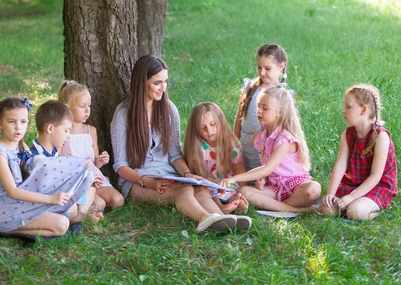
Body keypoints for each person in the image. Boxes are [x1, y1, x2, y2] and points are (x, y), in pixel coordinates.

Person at [111, 55, 251, 232]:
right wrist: (148, 182)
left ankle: (223, 219)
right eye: (157, 83)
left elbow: (174, 154)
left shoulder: (169, 110)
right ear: (141, 83)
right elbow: (120, 165)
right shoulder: (123, 114)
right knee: (183, 191)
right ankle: (205, 219)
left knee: (199, 189)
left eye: (165, 81)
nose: (163, 88)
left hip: (168, 175)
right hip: (137, 181)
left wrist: (187, 174)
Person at [0, 97, 94, 237]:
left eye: (23, 122)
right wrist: (50, 199)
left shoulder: (21, 146)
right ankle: (0, 230)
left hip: (21, 203)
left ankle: (42, 226)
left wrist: (79, 166)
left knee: (69, 210)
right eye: (11, 122)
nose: (18, 127)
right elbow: (12, 191)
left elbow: (45, 165)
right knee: (62, 224)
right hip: (5, 209)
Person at [220, 86, 321, 213]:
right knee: (244, 191)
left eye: (265, 108)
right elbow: (268, 170)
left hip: (296, 186)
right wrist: (264, 179)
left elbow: (266, 168)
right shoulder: (260, 137)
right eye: (258, 106)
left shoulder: (284, 139)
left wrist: (235, 178)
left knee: (314, 189)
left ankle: (279, 207)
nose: (259, 111)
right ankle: (296, 210)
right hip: (274, 188)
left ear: (280, 112)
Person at [321, 84, 397, 220]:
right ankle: (352, 205)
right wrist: (330, 193)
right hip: (353, 184)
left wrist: (352, 197)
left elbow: (375, 176)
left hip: (377, 187)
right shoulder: (348, 134)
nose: (343, 111)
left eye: (348, 107)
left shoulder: (381, 137)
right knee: (327, 209)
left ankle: (377, 209)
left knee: (354, 212)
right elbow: (340, 165)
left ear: (363, 110)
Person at [27, 99, 102, 221]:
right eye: (66, 130)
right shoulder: (37, 157)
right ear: (50, 129)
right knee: (73, 207)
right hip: (46, 201)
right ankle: (80, 218)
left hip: (58, 195)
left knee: (91, 187)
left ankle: (80, 216)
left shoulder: (54, 152)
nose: (68, 135)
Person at [58, 80, 125, 212]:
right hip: (75, 179)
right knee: (99, 205)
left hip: (94, 175)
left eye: (89, 105)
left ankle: (91, 202)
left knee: (118, 201)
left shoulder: (91, 130)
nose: (87, 110)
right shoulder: (62, 132)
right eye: (82, 106)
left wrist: (100, 160)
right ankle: (90, 203)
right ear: (67, 107)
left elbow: (94, 161)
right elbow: (58, 160)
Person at [182, 102, 249, 215]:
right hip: (208, 183)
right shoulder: (197, 148)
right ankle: (220, 206)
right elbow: (202, 175)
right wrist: (215, 187)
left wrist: (244, 191)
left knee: (231, 193)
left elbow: (240, 170)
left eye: (213, 124)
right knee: (207, 192)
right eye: (203, 127)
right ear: (196, 129)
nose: (209, 131)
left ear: (220, 122)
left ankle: (236, 202)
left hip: (228, 183)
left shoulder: (230, 145)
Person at [234, 44, 289, 172]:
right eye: (259, 67)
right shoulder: (251, 88)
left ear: (281, 66)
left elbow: (285, 128)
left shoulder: (281, 95)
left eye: (267, 68)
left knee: (260, 180)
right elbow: (239, 118)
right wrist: (235, 144)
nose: (262, 72)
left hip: (266, 152)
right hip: (244, 149)